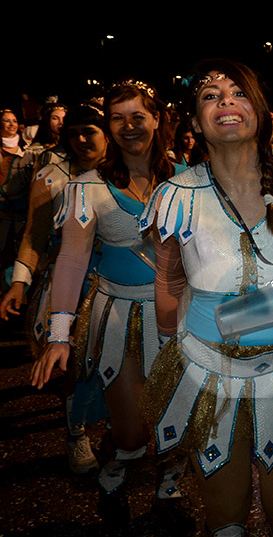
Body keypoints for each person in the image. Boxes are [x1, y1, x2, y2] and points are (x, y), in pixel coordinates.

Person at [141, 60, 273, 537]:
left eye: (238, 93)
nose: (226, 102)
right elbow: (168, 282)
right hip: (206, 372)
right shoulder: (175, 195)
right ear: (193, 121)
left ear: (260, 111)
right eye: (211, 96)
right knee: (224, 516)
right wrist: (167, 354)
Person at [30, 81, 186, 530]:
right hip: (121, 318)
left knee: (179, 415)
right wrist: (59, 337)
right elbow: (73, 257)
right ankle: (114, 469)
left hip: (184, 316)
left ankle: (170, 487)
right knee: (134, 429)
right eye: (117, 118)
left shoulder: (192, 177)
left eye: (138, 116)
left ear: (157, 119)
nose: (128, 127)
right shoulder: (86, 187)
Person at [0, 102, 108, 473]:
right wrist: (19, 282)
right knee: (71, 365)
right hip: (68, 283)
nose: (80, 139)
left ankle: (116, 430)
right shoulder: (51, 175)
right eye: (73, 132)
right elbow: (34, 233)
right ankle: (76, 433)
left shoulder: (126, 171)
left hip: (118, 285)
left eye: (89, 131)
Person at [1, 109, 35, 286]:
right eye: (7, 121)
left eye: (14, 120)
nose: (11, 124)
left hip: (21, 217)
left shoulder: (28, 150)